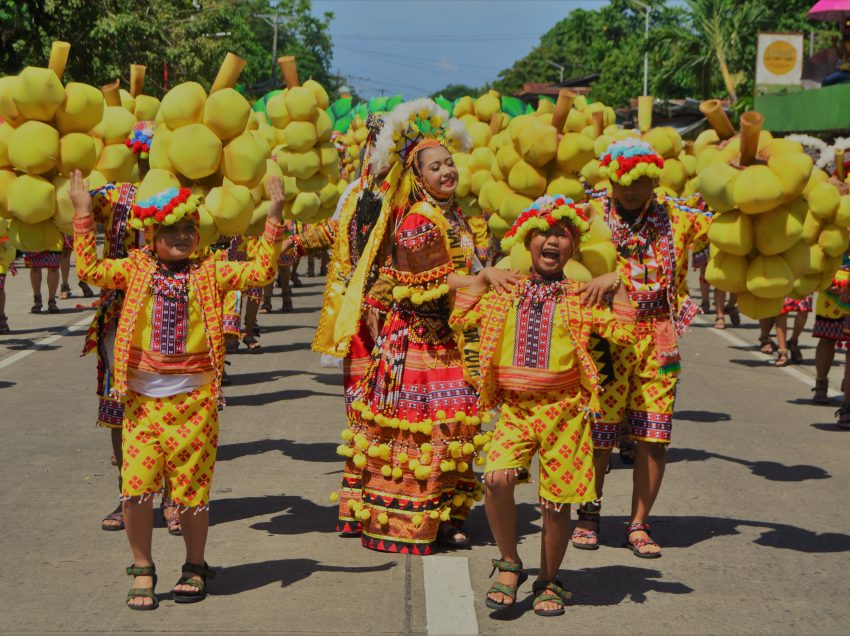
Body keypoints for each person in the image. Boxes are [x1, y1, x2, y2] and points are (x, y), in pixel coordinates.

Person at [69, 169, 286, 609]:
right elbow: (90, 269)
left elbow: (262, 268)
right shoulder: (136, 266)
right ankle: (142, 567)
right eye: (172, 229)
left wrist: (275, 215)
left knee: (191, 494)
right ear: (152, 233)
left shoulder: (210, 270)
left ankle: (194, 565)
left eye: (190, 228)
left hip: (196, 401)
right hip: (142, 402)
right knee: (135, 488)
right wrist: (81, 214)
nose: (183, 236)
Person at [335, 99, 519, 554]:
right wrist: (483, 277)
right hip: (416, 343)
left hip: (446, 339)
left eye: (449, 164)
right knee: (420, 429)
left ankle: (446, 511)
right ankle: (406, 517)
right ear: (418, 177)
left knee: (455, 425)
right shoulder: (418, 219)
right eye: (435, 167)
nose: (446, 173)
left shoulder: (457, 216)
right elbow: (433, 281)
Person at [450, 195, 635, 616]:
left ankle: (550, 579)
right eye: (544, 235)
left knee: (556, 502)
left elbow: (625, 335)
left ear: (573, 248)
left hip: (566, 411)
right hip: (514, 409)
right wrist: (482, 277)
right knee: (496, 480)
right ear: (528, 242)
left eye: (563, 236)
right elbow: (460, 319)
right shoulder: (507, 287)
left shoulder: (580, 294)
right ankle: (510, 563)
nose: (552, 242)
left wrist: (618, 286)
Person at [573, 138, 710, 557]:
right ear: (610, 178)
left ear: (654, 179)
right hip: (606, 338)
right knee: (599, 433)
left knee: (655, 435)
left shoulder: (680, 217)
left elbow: (737, 216)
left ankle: (638, 523)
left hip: (659, 338)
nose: (630, 191)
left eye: (641, 182)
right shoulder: (589, 212)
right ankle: (588, 515)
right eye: (622, 182)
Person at [773, 296, 811, 366]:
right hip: (784, 286)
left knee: (803, 311)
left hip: (804, 286)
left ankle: (793, 341)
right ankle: (782, 353)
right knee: (781, 312)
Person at [25, 248, 60, 314]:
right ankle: (37, 300)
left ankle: (52, 300)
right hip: (35, 240)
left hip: (53, 240)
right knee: (35, 267)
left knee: (53, 267)